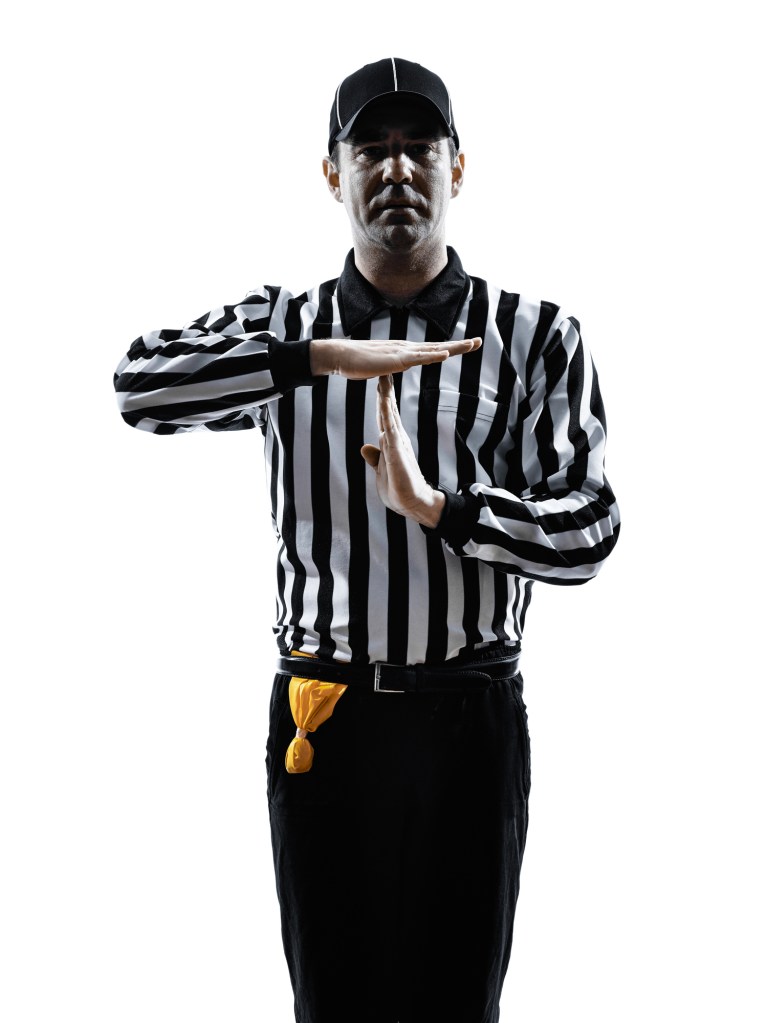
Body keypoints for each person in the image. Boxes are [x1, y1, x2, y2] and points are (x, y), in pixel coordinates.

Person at [114, 57, 620, 1023]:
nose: (395, 170)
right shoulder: (283, 326)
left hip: (466, 717)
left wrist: (446, 509)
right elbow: (139, 388)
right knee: (335, 1004)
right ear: (332, 174)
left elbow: (589, 529)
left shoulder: (534, 335)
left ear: (457, 168)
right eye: (370, 149)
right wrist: (311, 360)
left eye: (418, 148)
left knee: (454, 1003)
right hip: (324, 718)